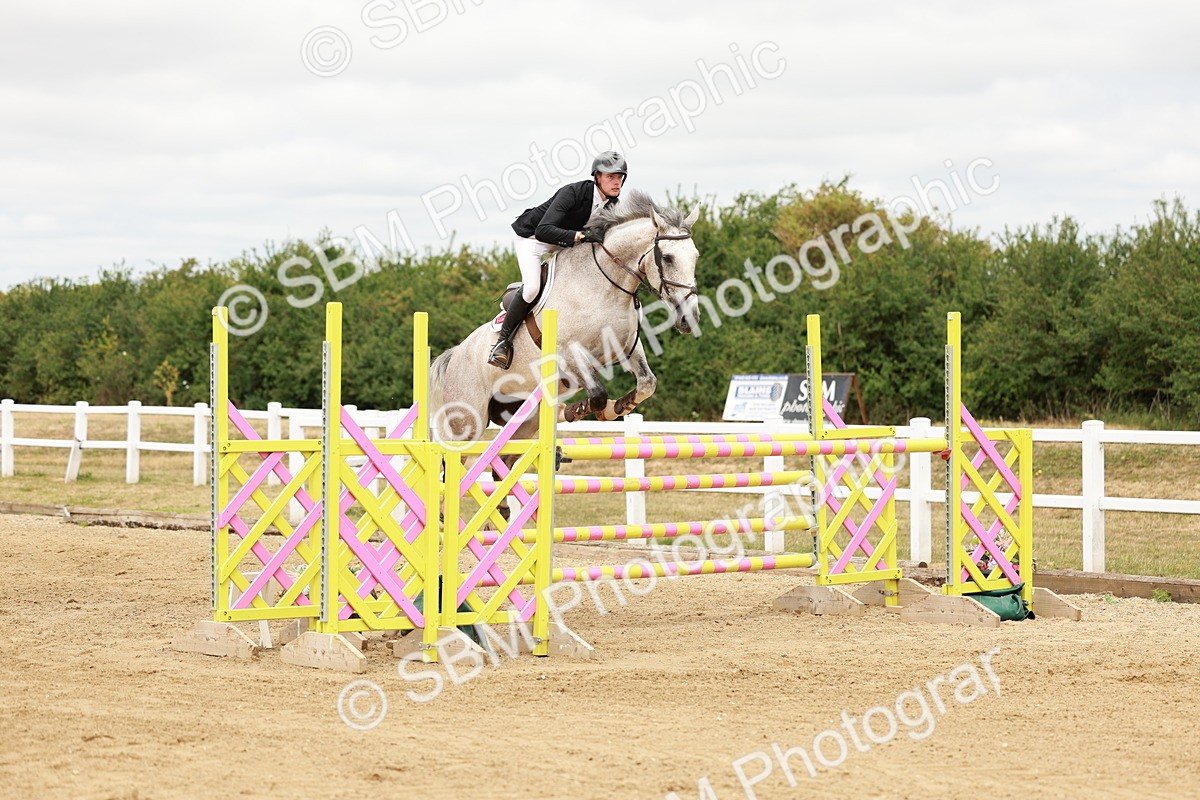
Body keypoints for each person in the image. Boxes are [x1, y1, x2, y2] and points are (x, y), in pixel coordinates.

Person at [487, 151, 628, 368]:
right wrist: (580, 236)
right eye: (611, 177)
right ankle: (502, 342)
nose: (616, 182)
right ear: (597, 177)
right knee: (532, 288)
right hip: (533, 240)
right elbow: (543, 230)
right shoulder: (573, 193)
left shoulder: (612, 205)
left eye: (619, 177)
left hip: (565, 242)